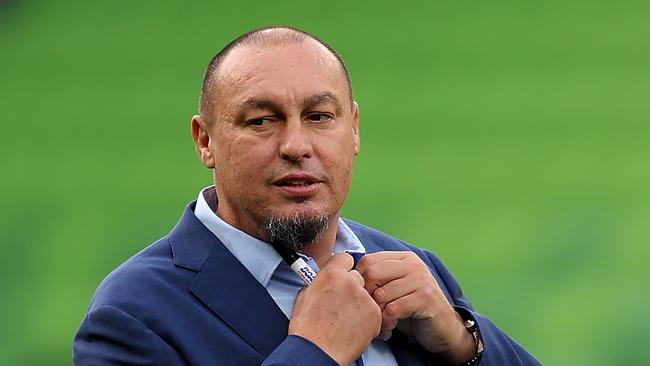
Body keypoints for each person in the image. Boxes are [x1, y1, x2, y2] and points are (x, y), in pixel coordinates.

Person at [73, 26, 540, 365]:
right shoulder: (133, 316)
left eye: (319, 116)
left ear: (353, 129)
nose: (297, 145)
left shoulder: (413, 268)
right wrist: (315, 353)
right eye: (262, 120)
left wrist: (464, 345)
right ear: (205, 141)